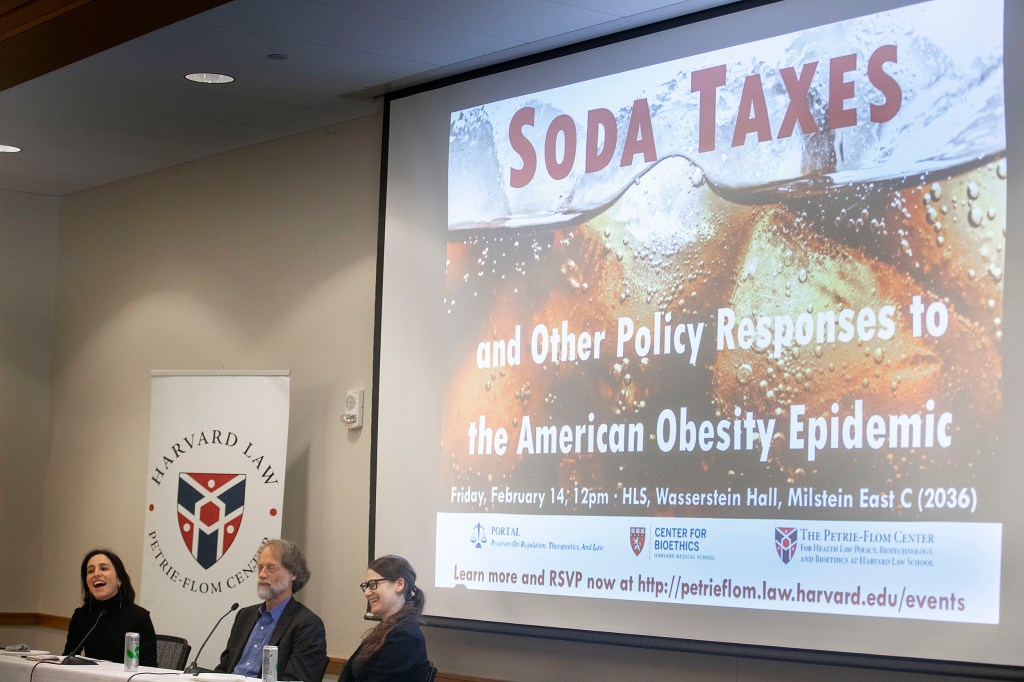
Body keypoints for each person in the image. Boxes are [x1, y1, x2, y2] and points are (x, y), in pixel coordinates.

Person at [215, 539, 327, 682]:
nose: (262, 574)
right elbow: (223, 669)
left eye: (271, 568)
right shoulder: (244, 616)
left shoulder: (308, 625)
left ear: (293, 574)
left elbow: (298, 679)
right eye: (260, 567)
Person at [340, 555, 429, 682]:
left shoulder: (405, 637)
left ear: (399, 584)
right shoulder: (387, 629)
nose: (367, 592)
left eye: (373, 584)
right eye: (366, 586)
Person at [63, 549, 157, 666]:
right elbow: (68, 659)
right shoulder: (81, 615)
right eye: (90, 571)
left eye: (103, 568)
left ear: (119, 579)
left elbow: (149, 667)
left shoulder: (138, 617)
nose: (96, 574)